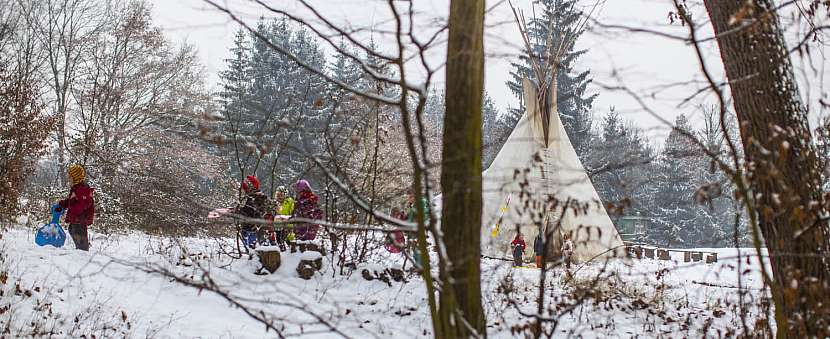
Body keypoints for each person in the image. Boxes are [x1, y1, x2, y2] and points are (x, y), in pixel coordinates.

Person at [56, 164, 95, 251]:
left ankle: (83, 252)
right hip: (76, 220)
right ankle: (82, 248)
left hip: (80, 220)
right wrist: (63, 204)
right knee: (72, 230)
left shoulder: (82, 189)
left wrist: (71, 215)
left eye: (70, 176)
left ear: (76, 177)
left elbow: (81, 205)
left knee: (80, 240)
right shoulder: (77, 188)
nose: (69, 178)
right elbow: (72, 201)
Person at [236, 175, 272, 249]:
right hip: (246, 224)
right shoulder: (249, 197)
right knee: (245, 240)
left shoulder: (259, 197)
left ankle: (253, 250)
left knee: (252, 243)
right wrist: (239, 211)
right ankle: (248, 250)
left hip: (254, 225)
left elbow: (259, 210)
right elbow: (246, 209)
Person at [273, 186, 295, 251]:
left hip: (288, 225)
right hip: (278, 225)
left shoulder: (289, 202)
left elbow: (293, 212)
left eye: (281, 195)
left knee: (289, 240)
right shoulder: (275, 203)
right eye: (277, 195)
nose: (279, 197)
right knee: (279, 240)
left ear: (285, 194)